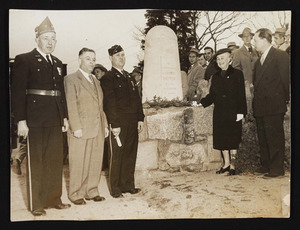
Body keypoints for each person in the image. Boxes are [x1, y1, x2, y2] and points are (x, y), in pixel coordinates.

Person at [11, 16, 71, 216]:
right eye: (46, 38)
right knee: (36, 162)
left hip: (54, 118)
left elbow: (60, 92)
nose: (50, 42)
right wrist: (21, 120)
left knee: (55, 161)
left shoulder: (57, 62)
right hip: (34, 119)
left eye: (53, 38)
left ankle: (54, 199)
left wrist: (64, 117)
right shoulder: (24, 59)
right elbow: (18, 92)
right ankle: (36, 203)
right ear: (37, 39)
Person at [64, 48, 109, 205]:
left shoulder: (96, 81)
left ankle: (91, 191)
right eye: (88, 58)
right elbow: (71, 104)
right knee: (78, 161)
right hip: (80, 128)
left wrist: (105, 125)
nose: (91, 62)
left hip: (97, 127)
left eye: (93, 59)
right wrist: (75, 126)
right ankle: (75, 193)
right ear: (79, 60)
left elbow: (100, 106)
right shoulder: (71, 79)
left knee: (95, 160)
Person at [101, 45, 145, 198]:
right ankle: (116, 188)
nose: (122, 58)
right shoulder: (108, 78)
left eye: (123, 55)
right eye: (118, 55)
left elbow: (136, 99)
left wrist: (140, 118)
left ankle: (128, 185)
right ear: (111, 58)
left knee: (130, 154)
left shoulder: (129, 76)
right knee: (117, 155)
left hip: (132, 122)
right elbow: (110, 103)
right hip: (119, 123)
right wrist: (114, 124)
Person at [200, 48, 247, 176]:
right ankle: (226, 164)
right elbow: (213, 95)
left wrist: (241, 112)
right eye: (218, 59)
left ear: (229, 59)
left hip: (233, 112)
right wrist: (202, 102)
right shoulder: (215, 77)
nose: (220, 61)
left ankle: (233, 165)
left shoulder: (238, 74)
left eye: (223, 59)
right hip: (220, 112)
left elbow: (241, 94)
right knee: (222, 139)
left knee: (233, 138)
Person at [252, 28, 289, 178]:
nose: (254, 43)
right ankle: (266, 165)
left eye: (255, 40)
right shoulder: (257, 62)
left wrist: (284, 100)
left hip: (274, 106)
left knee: (274, 138)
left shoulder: (280, 56)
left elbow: (286, 81)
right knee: (264, 138)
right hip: (261, 106)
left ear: (264, 39)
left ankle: (277, 169)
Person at [232, 27, 259, 101]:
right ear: (242, 38)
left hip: (256, 85)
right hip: (244, 85)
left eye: (248, 36)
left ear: (251, 37)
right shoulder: (237, 52)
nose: (246, 38)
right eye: (244, 36)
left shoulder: (256, 51)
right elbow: (235, 69)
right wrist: (243, 81)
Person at [92, 63, 109, 175]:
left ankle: (105, 167)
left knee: (106, 144)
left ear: (103, 71)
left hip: (107, 114)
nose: (96, 74)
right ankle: (102, 167)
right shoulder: (98, 84)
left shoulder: (106, 82)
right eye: (95, 73)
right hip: (101, 114)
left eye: (98, 72)